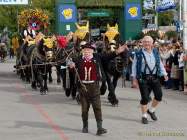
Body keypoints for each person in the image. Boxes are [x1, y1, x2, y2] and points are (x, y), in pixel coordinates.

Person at [69, 41, 128, 135]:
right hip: (83, 88)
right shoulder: (78, 59)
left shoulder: (98, 57)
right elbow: (71, 68)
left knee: (97, 108)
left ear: (93, 51)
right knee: (84, 109)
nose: (87, 52)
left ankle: (99, 128)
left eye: (89, 50)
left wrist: (117, 51)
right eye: (85, 50)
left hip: (94, 87)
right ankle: (85, 125)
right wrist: (71, 66)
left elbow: (109, 56)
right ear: (83, 51)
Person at [131, 36, 168, 124]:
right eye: (145, 42)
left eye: (148, 42)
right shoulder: (138, 53)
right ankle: (144, 116)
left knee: (159, 96)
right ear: (142, 43)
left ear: (152, 43)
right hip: (143, 79)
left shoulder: (155, 52)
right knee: (145, 98)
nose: (146, 43)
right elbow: (134, 67)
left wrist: (165, 73)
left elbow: (160, 64)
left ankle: (151, 110)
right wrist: (134, 79)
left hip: (155, 78)